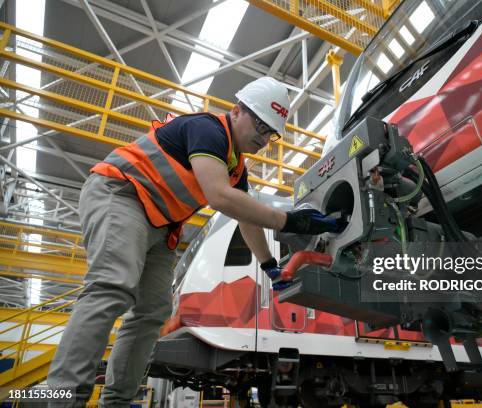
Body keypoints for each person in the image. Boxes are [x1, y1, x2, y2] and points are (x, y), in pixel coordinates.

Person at [47, 77, 339, 407]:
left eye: (270, 132)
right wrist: (287, 220)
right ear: (236, 110)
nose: (263, 136)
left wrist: (271, 267)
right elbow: (218, 196)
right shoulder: (208, 129)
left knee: (152, 313)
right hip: (122, 194)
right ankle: (63, 398)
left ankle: (116, 401)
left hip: (161, 224)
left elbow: (246, 219)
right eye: (259, 123)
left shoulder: (235, 167)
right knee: (113, 286)